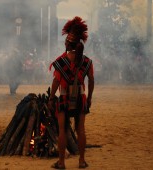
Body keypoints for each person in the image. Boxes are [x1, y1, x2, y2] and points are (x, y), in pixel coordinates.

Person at [48, 16, 94, 169]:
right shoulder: (87, 62)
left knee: (62, 129)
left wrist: (50, 98)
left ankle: (61, 162)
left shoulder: (61, 62)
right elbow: (91, 80)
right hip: (81, 97)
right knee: (81, 130)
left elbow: (55, 82)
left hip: (63, 97)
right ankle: (81, 161)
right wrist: (89, 98)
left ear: (68, 44)